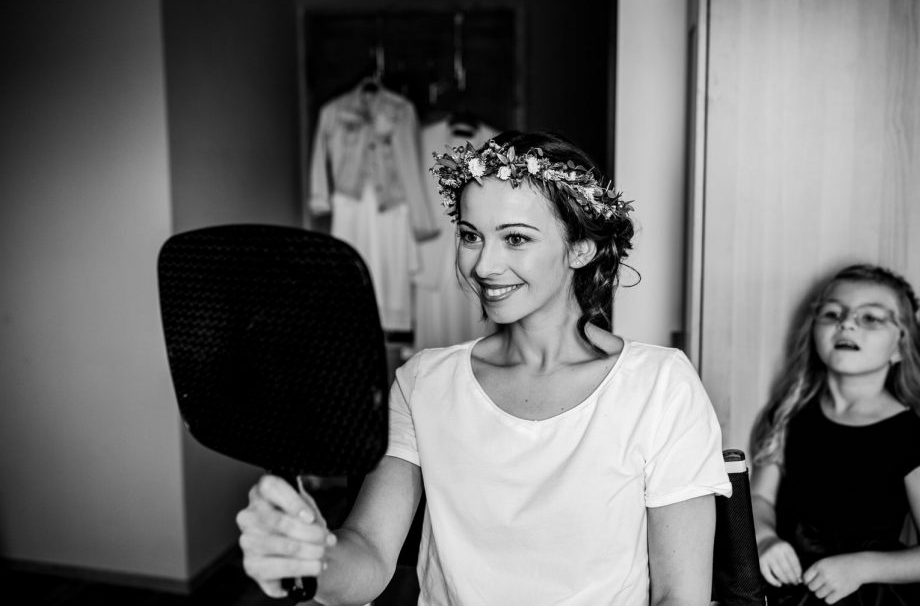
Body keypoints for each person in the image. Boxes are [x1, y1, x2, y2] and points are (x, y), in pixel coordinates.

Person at [236, 131, 732, 605]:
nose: (483, 266)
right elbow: (368, 552)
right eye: (471, 236)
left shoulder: (660, 387)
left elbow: (680, 596)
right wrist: (314, 557)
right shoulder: (423, 383)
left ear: (581, 248)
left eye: (515, 238)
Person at [749, 264, 920, 605]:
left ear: (900, 345)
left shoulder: (913, 439)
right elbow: (761, 499)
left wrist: (860, 567)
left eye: (871, 318)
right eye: (833, 313)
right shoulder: (786, 414)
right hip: (789, 590)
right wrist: (764, 538)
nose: (846, 323)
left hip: (876, 597)